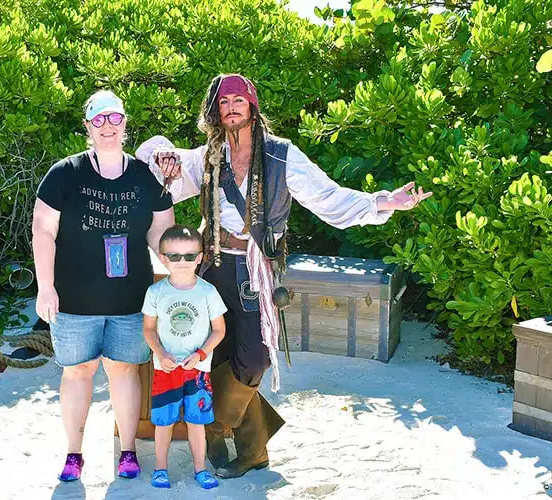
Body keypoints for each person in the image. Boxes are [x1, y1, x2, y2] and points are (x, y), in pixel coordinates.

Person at [135, 74, 432, 479]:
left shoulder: (281, 156)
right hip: (211, 268)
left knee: (253, 360)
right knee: (215, 355)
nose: (232, 107)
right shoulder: (207, 156)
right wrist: (162, 156)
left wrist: (385, 202)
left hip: (256, 271)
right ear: (215, 111)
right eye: (224, 102)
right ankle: (254, 451)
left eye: (239, 100)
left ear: (253, 106)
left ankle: (216, 426)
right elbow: (153, 163)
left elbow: (330, 199)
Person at [33, 90, 175, 482]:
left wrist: (180, 273)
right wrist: (46, 286)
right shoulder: (65, 173)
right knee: (77, 372)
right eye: (99, 120)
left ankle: (127, 451)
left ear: (125, 124)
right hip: (74, 301)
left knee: (124, 370)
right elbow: (43, 231)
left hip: (131, 298)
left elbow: (161, 233)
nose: (108, 127)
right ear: (88, 127)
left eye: (115, 118)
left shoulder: (145, 177)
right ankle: (74, 454)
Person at [142, 225, 227, 490]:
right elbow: (148, 329)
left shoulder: (208, 291)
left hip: (198, 370)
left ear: (200, 257)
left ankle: (200, 469)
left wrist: (201, 353)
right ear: (163, 258)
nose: (182, 262)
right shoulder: (155, 292)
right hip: (165, 369)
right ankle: (160, 469)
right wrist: (160, 353)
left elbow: (219, 330)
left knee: (196, 422)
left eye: (190, 256)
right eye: (175, 256)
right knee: (164, 423)